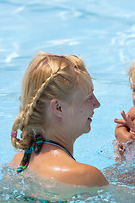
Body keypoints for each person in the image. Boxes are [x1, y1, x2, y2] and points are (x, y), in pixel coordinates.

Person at [9, 52, 108, 187]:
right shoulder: (85, 176)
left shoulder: (18, 162)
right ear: (58, 108)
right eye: (89, 97)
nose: (97, 104)